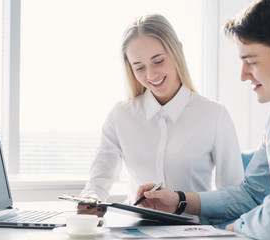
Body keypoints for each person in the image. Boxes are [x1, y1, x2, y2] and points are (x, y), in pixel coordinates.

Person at [135, 1, 270, 239]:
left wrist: (235, 227)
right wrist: (179, 200)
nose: (242, 75)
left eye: (251, 61)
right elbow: (253, 193)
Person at [78, 14, 243, 216]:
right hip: (136, 231)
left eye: (158, 61)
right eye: (139, 67)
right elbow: (98, 182)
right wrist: (90, 198)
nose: (151, 75)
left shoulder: (214, 115)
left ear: (177, 51)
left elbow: (234, 196)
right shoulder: (121, 115)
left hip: (193, 232)